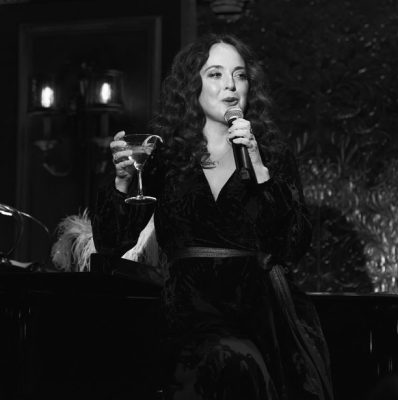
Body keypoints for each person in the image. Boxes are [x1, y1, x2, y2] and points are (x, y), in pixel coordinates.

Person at [92, 33, 334, 400]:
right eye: (216, 74)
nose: (231, 86)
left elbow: (294, 244)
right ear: (193, 86)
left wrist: (259, 168)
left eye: (240, 75)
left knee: (242, 361)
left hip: (258, 312)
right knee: (222, 358)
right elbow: (112, 242)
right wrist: (123, 182)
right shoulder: (166, 156)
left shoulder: (271, 154)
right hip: (186, 312)